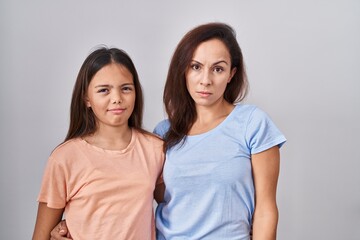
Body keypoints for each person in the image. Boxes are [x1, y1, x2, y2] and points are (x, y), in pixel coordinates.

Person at [51, 22, 286, 240]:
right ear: (183, 70)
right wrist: (75, 222)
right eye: (196, 67)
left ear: (231, 74)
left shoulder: (252, 123)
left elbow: (265, 209)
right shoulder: (163, 134)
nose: (205, 80)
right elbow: (127, 191)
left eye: (218, 69)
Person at [32, 47, 165, 240]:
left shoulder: (155, 149)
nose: (117, 99)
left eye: (126, 88)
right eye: (104, 90)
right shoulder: (65, 158)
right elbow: (40, 236)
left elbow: (176, 208)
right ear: (86, 98)